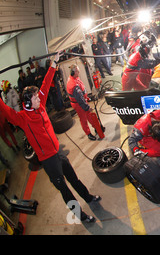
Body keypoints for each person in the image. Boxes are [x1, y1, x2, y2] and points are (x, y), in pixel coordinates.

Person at [0, 51, 100, 223]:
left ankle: (89, 197)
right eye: (36, 98)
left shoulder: (40, 106)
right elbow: (7, 111)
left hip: (58, 153)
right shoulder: (22, 118)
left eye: (39, 97)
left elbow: (46, 83)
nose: (40, 99)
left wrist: (53, 63)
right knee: (65, 190)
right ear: (28, 102)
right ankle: (81, 216)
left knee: (74, 178)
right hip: (48, 161)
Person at [66, 65, 104, 141]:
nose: (79, 72)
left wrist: (86, 97)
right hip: (79, 105)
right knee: (83, 119)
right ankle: (88, 134)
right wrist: (87, 107)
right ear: (74, 72)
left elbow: (81, 93)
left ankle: (96, 128)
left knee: (89, 116)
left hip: (82, 101)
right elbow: (80, 99)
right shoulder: (73, 85)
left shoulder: (75, 78)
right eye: (78, 71)